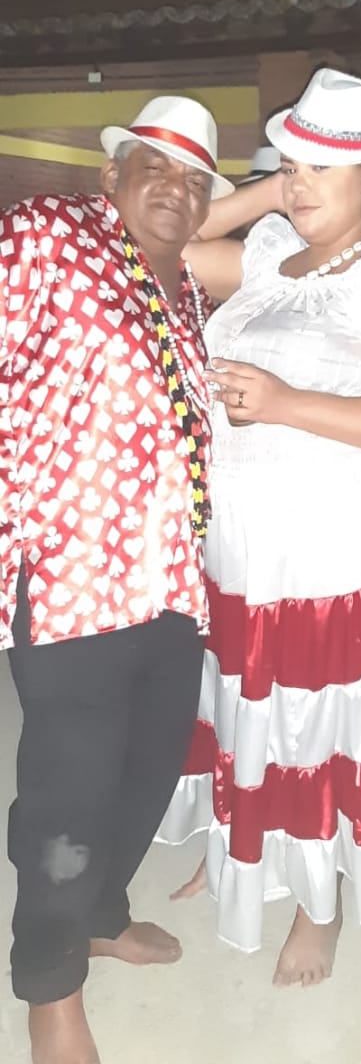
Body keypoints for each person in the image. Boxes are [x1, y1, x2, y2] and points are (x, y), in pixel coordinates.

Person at [157, 66, 361, 986]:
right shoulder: (266, 253)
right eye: (292, 163)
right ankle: (243, 849)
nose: (301, 182)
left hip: (337, 546)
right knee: (246, 703)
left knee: (316, 721)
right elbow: (168, 242)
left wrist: (286, 402)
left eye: (324, 166)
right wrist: (273, 189)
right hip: (243, 539)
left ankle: (316, 900)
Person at [0, 95, 234, 1064]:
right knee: (69, 791)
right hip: (72, 579)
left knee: (147, 766)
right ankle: (50, 988)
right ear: (112, 175)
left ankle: (99, 914)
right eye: (156, 167)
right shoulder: (47, 235)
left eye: (195, 179)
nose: (175, 189)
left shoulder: (185, 293)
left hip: (171, 582)